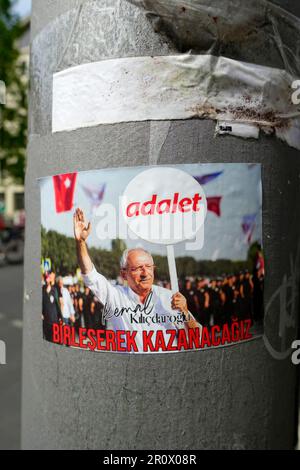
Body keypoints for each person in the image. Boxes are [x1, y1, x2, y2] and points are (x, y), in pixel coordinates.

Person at [73, 208, 201, 352]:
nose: (145, 273)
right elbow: (90, 274)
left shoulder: (170, 298)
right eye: (137, 268)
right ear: (123, 274)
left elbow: (198, 338)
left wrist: (184, 311)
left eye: (148, 267)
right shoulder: (116, 297)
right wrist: (81, 243)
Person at [42, 273, 62, 342]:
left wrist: (60, 317)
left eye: (48, 278)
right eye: (45, 278)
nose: (46, 280)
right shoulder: (42, 291)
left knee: (57, 339)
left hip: (55, 319)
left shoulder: (54, 290)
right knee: (48, 339)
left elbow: (57, 304)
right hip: (47, 320)